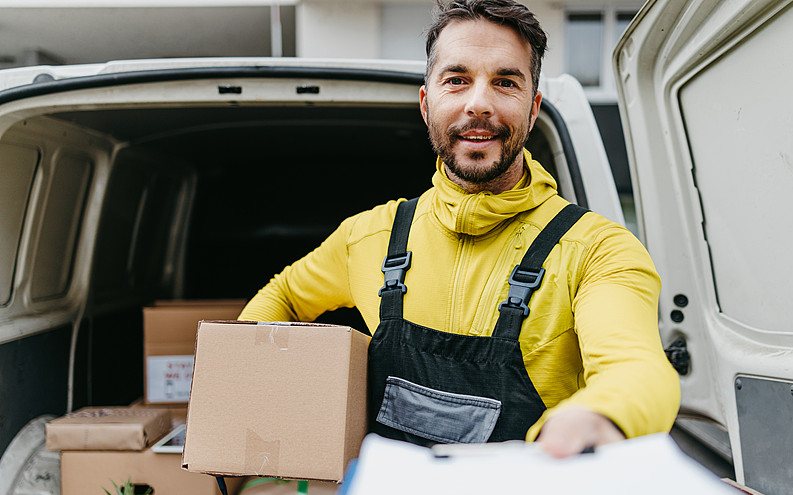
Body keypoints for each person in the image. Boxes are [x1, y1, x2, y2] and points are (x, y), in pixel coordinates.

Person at [238, 0, 680, 457]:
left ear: (533, 109)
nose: (479, 104)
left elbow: (638, 368)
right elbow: (284, 295)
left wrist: (600, 413)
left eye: (505, 82)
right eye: (457, 80)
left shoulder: (598, 250)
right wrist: (257, 386)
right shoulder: (369, 236)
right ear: (427, 103)